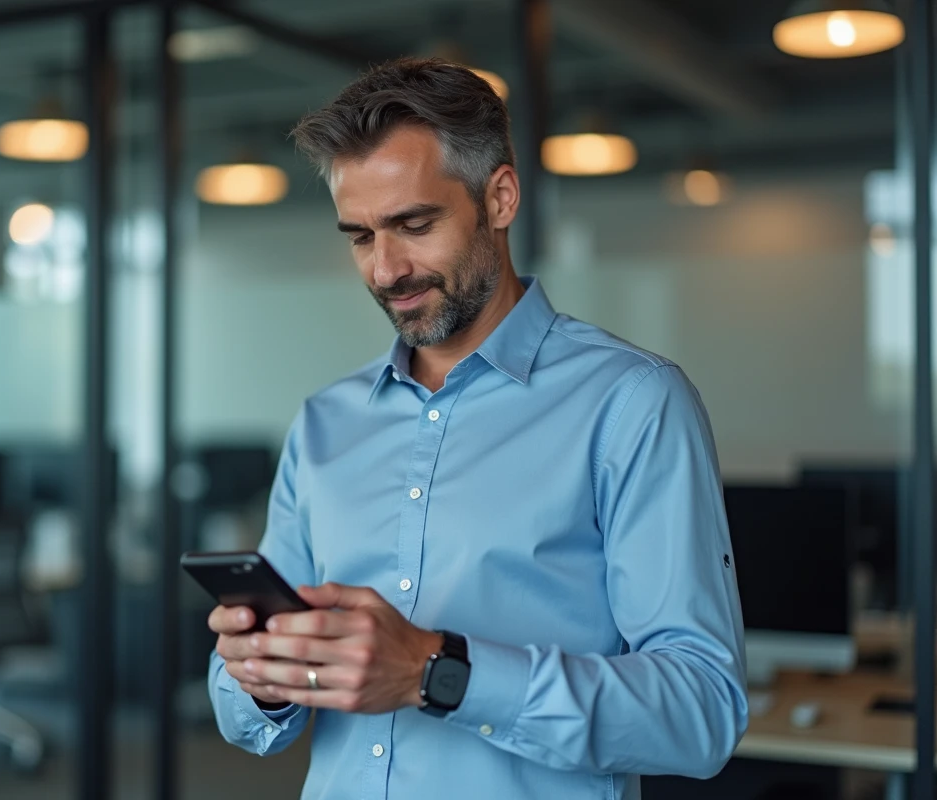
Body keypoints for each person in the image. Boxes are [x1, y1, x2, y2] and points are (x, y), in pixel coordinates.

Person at [206, 57, 748, 800]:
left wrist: (437, 672)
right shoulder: (325, 424)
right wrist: (265, 677)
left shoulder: (632, 404)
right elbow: (244, 713)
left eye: (414, 224)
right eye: (360, 236)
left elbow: (702, 712)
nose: (386, 269)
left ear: (499, 197)